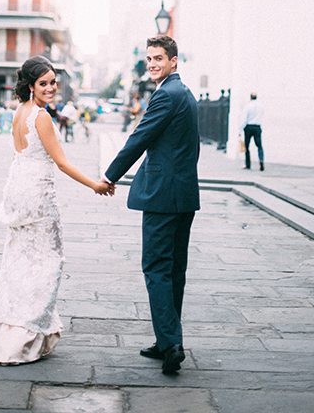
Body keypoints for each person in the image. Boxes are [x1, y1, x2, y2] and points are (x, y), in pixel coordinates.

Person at [0, 55, 114, 366]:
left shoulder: (19, 113)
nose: (51, 88)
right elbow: (62, 162)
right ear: (30, 86)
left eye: (54, 82)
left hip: (19, 189)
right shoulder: (41, 117)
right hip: (38, 193)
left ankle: (14, 326)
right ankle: (26, 333)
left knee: (20, 259)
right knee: (47, 261)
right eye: (44, 83)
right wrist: (95, 185)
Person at [103, 35, 199, 376]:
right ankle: (165, 339)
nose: (153, 64)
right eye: (149, 59)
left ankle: (172, 344)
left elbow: (139, 138)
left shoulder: (165, 96)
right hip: (184, 195)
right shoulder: (186, 94)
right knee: (174, 272)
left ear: (174, 60)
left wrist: (109, 175)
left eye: (159, 58)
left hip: (162, 196)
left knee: (157, 268)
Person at [240, 92, 264, 171]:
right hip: (257, 126)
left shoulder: (248, 106)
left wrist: (241, 129)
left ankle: (248, 164)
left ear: (250, 97)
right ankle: (261, 162)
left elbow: (244, 119)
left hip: (249, 127)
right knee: (259, 146)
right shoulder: (260, 106)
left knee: (247, 146)